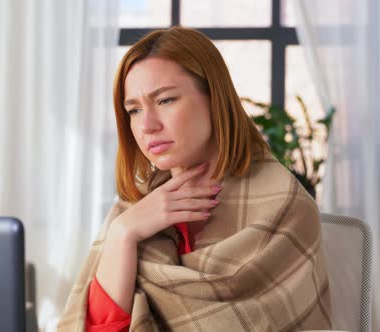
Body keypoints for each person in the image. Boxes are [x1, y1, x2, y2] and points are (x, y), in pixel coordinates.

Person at [58, 26, 331, 332]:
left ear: (215, 99)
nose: (146, 125)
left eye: (165, 101)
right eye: (133, 110)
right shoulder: (135, 212)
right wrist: (123, 233)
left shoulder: (286, 209)